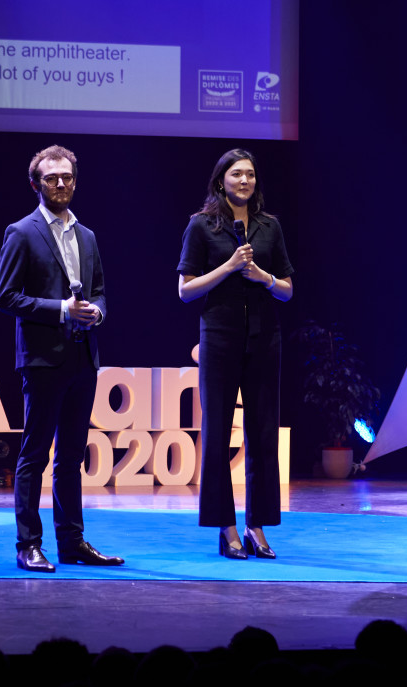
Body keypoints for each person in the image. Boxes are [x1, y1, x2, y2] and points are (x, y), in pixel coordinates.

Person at [0, 145, 124, 572]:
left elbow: (101, 289)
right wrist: (61, 310)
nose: (61, 184)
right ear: (36, 184)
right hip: (42, 359)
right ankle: (28, 544)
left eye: (67, 177)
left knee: (71, 456)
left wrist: (97, 312)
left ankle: (72, 542)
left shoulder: (86, 236)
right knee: (34, 454)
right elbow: (6, 297)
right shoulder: (21, 232)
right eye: (52, 178)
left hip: (82, 356)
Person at [177, 148, 294, 559]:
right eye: (236, 174)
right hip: (220, 339)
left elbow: (287, 289)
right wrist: (227, 267)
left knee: (263, 435)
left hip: (265, 339)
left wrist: (263, 277)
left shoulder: (269, 228)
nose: (244, 181)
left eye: (250, 175)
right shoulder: (202, 226)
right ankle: (225, 529)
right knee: (217, 434)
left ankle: (256, 527)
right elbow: (185, 290)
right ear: (220, 180)